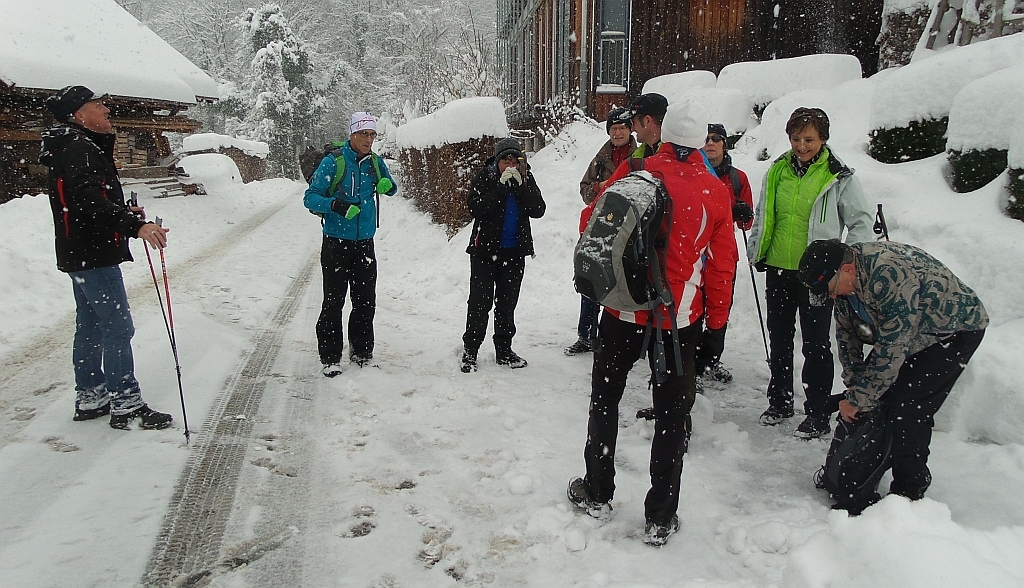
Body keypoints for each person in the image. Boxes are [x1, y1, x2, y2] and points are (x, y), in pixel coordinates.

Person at [567, 99, 737, 546]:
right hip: (678, 319)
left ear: (664, 133)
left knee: (605, 399)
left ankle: (597, 489)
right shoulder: (715, 191)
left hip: (623, 310)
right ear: (699, 141)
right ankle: (660, 516)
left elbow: (591, 220)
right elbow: (722, 267)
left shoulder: (636, 171)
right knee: (671, 417)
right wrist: (716, 323)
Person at [798, 239, 987, 511]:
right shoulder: (844, 286)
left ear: (847, 270)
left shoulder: (887, 273)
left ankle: (909, 493)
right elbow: (847, 338)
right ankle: (855, 477)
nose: (832, 297)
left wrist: (860, 399)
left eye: (830, 289)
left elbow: (892, 349)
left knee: (909, 407)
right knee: (876, 397)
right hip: (913, 333)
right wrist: (856, 391)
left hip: (954, 330)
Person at [39, 85, 172, 430]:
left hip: (80, 252)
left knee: (90, 324)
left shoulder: (72, 144)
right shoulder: (79, 147)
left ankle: (91, 396)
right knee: (117, 326)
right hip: (93, 254)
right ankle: (125, 403)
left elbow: (85, 200)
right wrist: (135, 226)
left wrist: (123, 211)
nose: (106, 110)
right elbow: (88, 201)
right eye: (98, 105)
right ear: (79, 114)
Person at [746, 107, 874, 439]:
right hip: (779, 268)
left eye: (809, 139)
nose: (801, 146)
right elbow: (764, 213)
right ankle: (780, 401)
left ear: (823, 139)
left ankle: (817, 412)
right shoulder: (778, 170)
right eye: (796, 138)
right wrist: (756, 249)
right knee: (780, 338)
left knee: (816, 344)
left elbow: (861, 222)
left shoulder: (838, 175)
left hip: (819, 277)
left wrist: (846, 263)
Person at [304, 112, 398, 377]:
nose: (369, 139)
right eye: (364, 134)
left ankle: (362, 353)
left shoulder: (375, 162)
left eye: (372, 135)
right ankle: (330, 357)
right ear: (352, 134)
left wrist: (386, 185)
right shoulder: (333, 162)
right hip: (335, 242)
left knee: (365, 301)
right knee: (333, 302)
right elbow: (310, 197)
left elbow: (392, 188)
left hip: (365, 243)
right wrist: (336, 205)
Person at [459, 138, 546, 373]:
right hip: (484, 253)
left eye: (515, 161)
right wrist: (500, 187)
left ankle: (504, 350)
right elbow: (475, 208)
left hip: (514, 253)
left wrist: (519, 188)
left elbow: (538, 209)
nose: (510, 165)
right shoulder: (485, 177)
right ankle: (470, 351)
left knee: (507, 305)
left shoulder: (526, 178)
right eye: (506, 160)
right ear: (497, 161)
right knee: (479, 304)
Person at [566, 107, 637, 356]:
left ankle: (623, 338)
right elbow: (585, 190)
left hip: (630, 230)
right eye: (613, 128)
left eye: (622, 128)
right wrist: (601, 187)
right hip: (601, 228)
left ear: (630, 130)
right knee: (593, 280)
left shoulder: (641, 156)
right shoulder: (601, 158)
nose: (617, 133)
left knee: (627, 284)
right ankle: (586, 335)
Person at [692, 123, 755, 388]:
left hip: (724, 255)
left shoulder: (738, 178)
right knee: (693, 310)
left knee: (720, 310)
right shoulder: (693, 173)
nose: (710, 143)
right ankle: (690, 366)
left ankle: (710, 360)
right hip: (695, 253)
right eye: (706, 138)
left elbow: (748, 222)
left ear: (725, 144)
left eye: (716, 138)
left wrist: (743, 213)